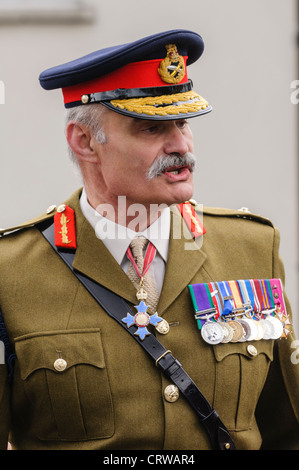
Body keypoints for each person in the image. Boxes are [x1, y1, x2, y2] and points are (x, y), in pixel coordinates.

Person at [0, 29, 299, 451]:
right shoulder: (10, 271)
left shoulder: (251, 247)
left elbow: (286, 428)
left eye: (182, 122)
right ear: (84, 142)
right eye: (151, 128)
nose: (180, 145)